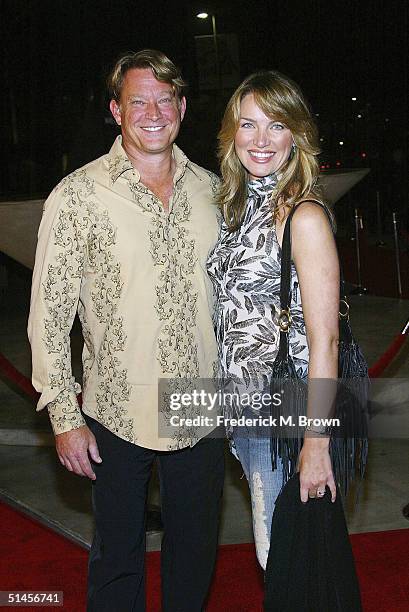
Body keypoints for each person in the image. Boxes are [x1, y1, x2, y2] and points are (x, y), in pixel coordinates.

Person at [28, 49, 224, 612]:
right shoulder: (78, 196)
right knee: (117, 560)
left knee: (195, 554)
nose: (153, 112)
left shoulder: (213, 191)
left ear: (183, 108)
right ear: (116, 110)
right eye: (138, 100)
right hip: (117, 408)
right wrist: (65, 417)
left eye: (165, 99)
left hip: (200, 403)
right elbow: (49, 315)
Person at [207, 70, 340, 571]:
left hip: (287, 417)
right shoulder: (236, 209)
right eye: (248, 125)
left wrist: (316, 443)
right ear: (231, 134)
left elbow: (324, 341)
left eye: (277, 125)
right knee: (276, 554)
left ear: (297, 136)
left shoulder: (300, 216)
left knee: (284, 559)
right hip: (244, 414)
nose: (261, 141)